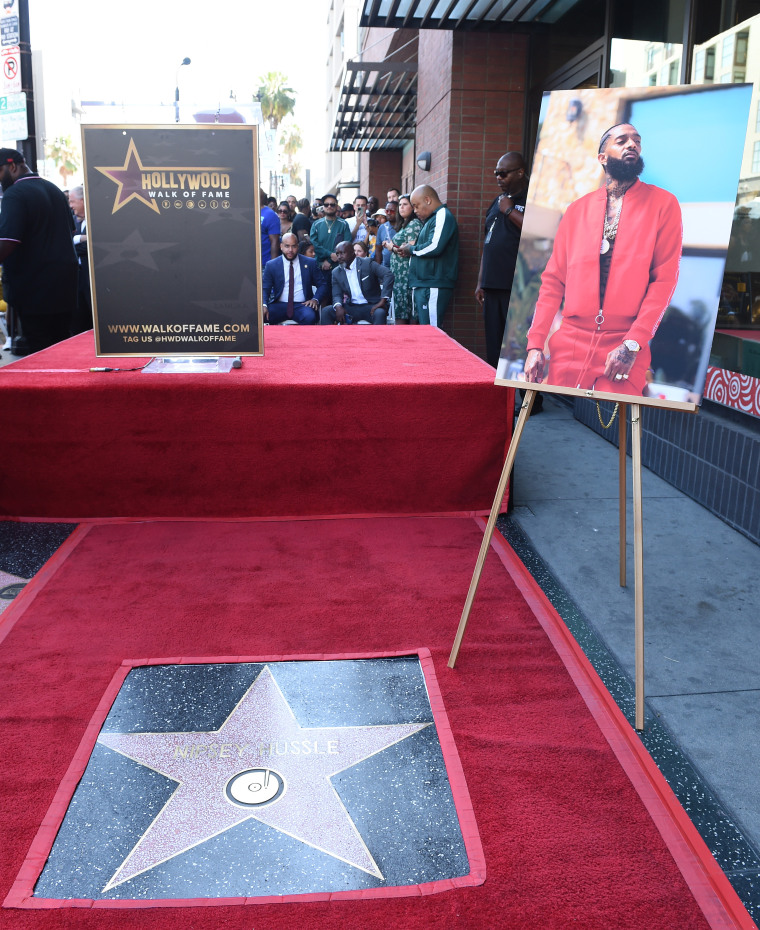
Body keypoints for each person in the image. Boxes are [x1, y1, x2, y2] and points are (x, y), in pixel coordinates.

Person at [524, 123, 682, 396]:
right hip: (570, 341)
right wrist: (536, 345)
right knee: (557, 414)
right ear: (602, 157)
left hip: (623, 343)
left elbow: (664, 282)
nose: (632, 144)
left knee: (612, 421)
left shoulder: (664, 204)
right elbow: (552, 282)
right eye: (622, 140)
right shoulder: (576, 211)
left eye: (636, 141)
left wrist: (632, 344)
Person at [0, 148, 77, 354]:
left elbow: (8, 241)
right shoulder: (53, 189)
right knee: (61, 346)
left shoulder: (14, 194)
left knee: (40, 352)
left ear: (12, 167)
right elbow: (70, 231)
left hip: (34, 287)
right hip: (65, 285)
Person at [476, 152, 528, 368]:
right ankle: (499, 401)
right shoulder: (496, 203)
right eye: (496, 173)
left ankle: (530, 402)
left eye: (503, 173)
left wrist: (509, 210)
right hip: (492, 287)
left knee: (518, 350)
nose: (498, 177)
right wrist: (481, 281)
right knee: (495, 347)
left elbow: (537, 231)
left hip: (518, 289)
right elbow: (488, 244)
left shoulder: (530, 199)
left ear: (520, 172)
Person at [396, 184, 459, 327]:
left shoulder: (442, 215)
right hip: (426, 283)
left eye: (416, 206)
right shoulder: (432, 218)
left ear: (428, 200)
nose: (415, 210)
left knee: (432, 330)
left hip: (433, 283)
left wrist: (411, 249)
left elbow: (435, 246)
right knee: (427, 329)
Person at [262, 232, 327, 325]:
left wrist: (315, 299)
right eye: (287, 246)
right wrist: (264, 305)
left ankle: (304, 340)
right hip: (280, 305)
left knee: (310, 317)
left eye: (294, 246)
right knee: (262, 316)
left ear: (298, 247)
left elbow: (322, 285)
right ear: (281, 246)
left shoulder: (310, 263)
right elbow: (265, 288)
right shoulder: (272, 265)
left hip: (302, 305)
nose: (290, 250)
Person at [322, 240, 393, 325]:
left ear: (352, 253)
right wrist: (338, 306)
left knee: (380, 313)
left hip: (371, 306)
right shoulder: (336, 272)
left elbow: (388, 275)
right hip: (352, 307)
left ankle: (378, 338)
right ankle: (328, 338)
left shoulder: (367, 263)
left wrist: (382, 301)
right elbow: (337, 294)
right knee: (326, 311)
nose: (339, 257)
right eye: (337, 254)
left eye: (342, 253)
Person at [387, 194, 422, 324]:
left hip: (406, 274)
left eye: (405, 204)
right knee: (401, 310)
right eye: (400, 205)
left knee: (407, 312)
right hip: (399, 276)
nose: (401, 207)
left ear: (413, 207)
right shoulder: (405, 224)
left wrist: (392, 248)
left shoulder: (414, 224)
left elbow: (408, 250)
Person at [68, 184, 93, 335]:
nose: (70, 206)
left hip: (91, 280)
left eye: (72, 202)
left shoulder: (97, 220)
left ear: (83, 201)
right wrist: (80, 238)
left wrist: (76, 243)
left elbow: (94, 247)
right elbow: (65, 243)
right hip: (75, 281)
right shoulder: (72, 221)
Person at [310, 193, 351, 273]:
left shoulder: (344, 224)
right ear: (323, 207)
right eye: (326, 204)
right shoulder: (316, 224)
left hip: (339, 268)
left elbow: (347, 245)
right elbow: (314, 244)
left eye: (332, 204)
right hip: (319, 266)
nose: (329, 206)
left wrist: (330, 260)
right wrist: (330, 255)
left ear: (336, 206)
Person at [260, 190, 280, 266]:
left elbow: (275, 242)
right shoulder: (248, 211)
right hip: (248, 261)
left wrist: (273, 266)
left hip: (264, 263)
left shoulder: (270, 214)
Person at [375, 202, 397, 267]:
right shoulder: (382, 227)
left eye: (392, 211)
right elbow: (378, 249)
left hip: (399, 267)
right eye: (387, 211)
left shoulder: (404, 226)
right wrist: (378, 268)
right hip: (385, 268)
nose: (389, 213)